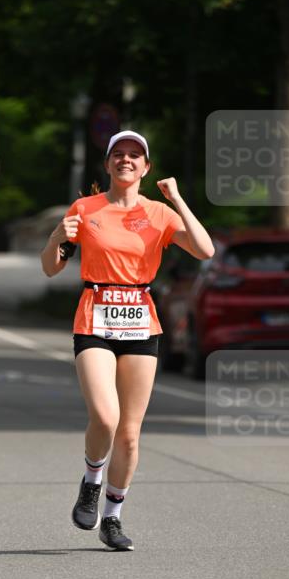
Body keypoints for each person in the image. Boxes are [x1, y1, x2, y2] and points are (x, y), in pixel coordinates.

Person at [41, 130, 215, 550]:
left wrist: (177, 201)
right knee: (105, 417)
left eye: (135, 155)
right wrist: (57, 237)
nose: (126, 160)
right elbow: (51, 268)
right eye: (118, 154)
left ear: (146, 167)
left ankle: (113, 518)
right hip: (95, 317)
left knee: (131, 434)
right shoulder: (86, 208)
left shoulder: (159, 213)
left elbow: (205, 250)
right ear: (107, 164)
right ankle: (91, 480)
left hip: (140, 322)